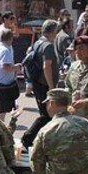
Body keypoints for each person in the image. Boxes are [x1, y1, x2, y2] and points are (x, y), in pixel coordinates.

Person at [21, 19, 59, 148]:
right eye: (56, 31)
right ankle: (28, 138)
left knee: (47, 114)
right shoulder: (47, 45)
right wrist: (52, 87)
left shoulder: (38, 42)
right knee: (47, 115)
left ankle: (43, 140)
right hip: (44, 84)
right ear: (53, 32)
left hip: (37, 82)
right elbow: (46, 66)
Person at [0, 28, 20, 121]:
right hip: (5, 84)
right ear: (10, 38)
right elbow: (5, 67)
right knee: (3, 112)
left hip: (0, 82)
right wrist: (16, 67)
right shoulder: (5, 50)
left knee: (2, 108)